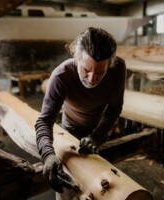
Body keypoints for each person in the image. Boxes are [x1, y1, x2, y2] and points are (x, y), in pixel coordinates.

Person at [35, 27, 126, 199]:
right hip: (70, 128)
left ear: (110, 64)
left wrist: (96, 138)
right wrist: (47, 154)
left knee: (102, 185)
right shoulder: (61, 76)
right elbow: (44, 120)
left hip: (100, 129)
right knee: (67, 184)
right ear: (76, 59)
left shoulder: (118, 69)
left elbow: (114, 109)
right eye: (86, 70)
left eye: (100, 72)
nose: (92, 79)